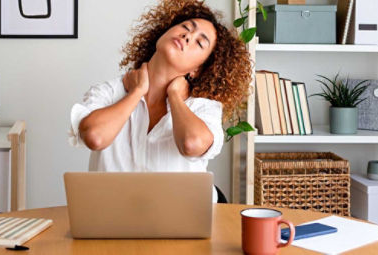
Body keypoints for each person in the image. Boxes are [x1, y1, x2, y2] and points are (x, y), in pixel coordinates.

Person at [68, 0, 251, 202]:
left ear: (197, 69)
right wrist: (136, 92)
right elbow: (95, 138)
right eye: (185, 27)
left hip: (182, 222)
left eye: (200, 42)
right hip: (113, 222)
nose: (188, 36)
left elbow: (191, 144)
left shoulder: (204, 107)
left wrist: (175, 96)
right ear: (163, 32)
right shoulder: (109, 92)